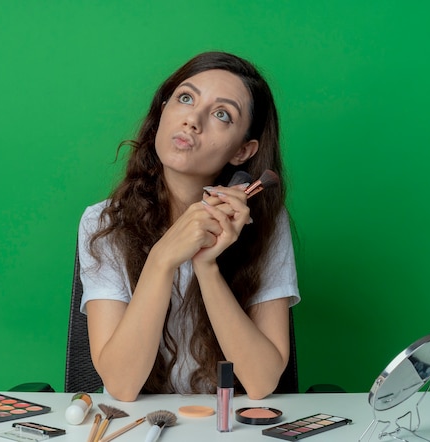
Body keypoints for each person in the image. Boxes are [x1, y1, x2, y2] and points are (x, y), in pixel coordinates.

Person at [78, 51, 300, 402]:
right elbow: (121, 385)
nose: (192, 120)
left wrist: (207, 265)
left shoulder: (266, 223)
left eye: (222, 114)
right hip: (136, 424)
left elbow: (261, 382)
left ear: (243, 151)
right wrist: (163, 258)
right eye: (185, 98)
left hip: (228, 424)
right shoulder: (104, 222)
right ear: (162, 110)